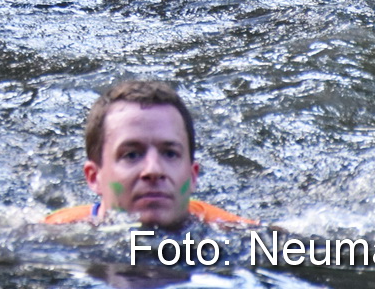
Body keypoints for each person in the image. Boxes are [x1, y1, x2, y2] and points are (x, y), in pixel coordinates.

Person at [44, 79, 251, 230]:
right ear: (94, 177)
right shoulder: (53, 236)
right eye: (132, 155)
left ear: (193, 175)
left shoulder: (238, 234)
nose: (153, 170)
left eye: (170, 154)